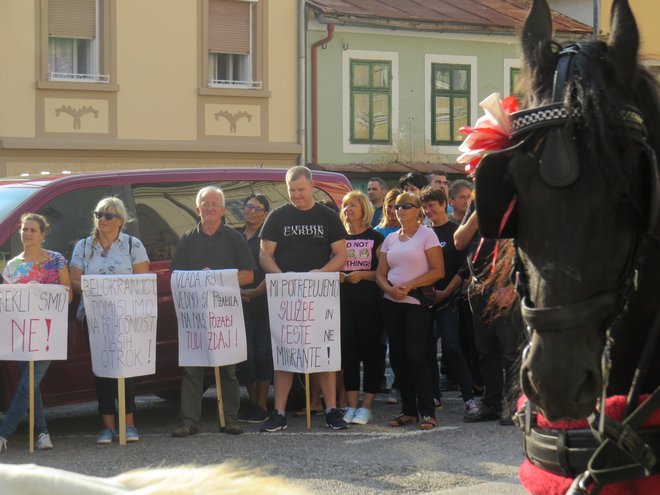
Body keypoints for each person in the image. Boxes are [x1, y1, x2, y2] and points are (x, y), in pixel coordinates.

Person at [259, 166, 348, 432]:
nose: (296, 195)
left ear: (311, 186)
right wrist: (284, 278)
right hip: (287, 297)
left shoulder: (328, 217)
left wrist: (321, 274)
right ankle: (279, 412)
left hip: (321, 295)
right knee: (285, 350)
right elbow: (265, 256)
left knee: (324, 351)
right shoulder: (277, 216)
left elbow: (341, 255)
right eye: (291, 190)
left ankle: (331, 410)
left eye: (300, 189)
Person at [170, 186, 255, 437]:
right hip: (195, 315)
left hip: (225, 315)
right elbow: (176, 277)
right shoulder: (187, 239)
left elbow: (249, 275)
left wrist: (216, 279)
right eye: (205, 204)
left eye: (214, 204)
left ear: (223, 210)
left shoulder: (234, 238)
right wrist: (199, 279)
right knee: (192, 368)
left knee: (228, 369)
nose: (209, 208)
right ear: (197, 209)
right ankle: (188, 421)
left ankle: (230, 419)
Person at [70, 197, 150, 444]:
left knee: (125, 369)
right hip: (93, 315)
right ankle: (107, 426)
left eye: (108, 215)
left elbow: (142, 280)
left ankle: (129, 424)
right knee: (103, 369)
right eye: (98, 214)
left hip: (125, 315)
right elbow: (74, 280)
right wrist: (94, 289)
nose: (102, 219)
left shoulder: (132, 246)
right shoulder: (83, 246)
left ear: (120, 221)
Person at [0, 213, 72, 453]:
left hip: (49, 333)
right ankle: (42, 433)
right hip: (22, 333)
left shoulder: (56, 260)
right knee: (30, 386)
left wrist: (41, 290)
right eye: (24, 229)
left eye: (33, 230)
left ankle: (3, 432)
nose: (27, 233)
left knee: (26, 384)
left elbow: (67, 295)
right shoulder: (13, 266)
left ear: (43, 234)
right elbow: (8, 303)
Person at [376, 192, 444, 430]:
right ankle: (408, 411)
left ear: (418, 210)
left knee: (416, 356)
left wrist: (410, 285)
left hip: (415, 302)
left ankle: (427, 411)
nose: (400, 210)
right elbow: (380, 273)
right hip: (391, 302)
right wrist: (390, 289)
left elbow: (438, 270)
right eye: (396, 206)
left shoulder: (428, 234)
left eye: (406, 205)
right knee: (398, 357)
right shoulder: (391, 239)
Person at [454, 198, 521, 425]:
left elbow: (524, 245)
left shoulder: (515, 201)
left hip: (504, 285)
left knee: (510, 350)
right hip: (478, 286)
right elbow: (459, 241)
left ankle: (514, 407)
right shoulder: (477, 205)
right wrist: (477, 212)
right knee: (486, 351)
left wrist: (512, 284)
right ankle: (492, 404)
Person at [419, 187, 479, 418]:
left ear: (445, 204)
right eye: (425, 207)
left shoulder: (456, 231)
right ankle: (434, 395)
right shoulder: (423, 234)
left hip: (450, 300)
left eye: (432, 205)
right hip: (427, 300)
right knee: (426, 351)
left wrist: (446, 292)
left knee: (453, 348)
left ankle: (469, 397)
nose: (429, 210)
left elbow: (464, 269)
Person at [338, 191, 384, 425]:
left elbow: (384, 274)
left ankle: (367, 406)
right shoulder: (338, 239)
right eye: (345, 205)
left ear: (364, 209)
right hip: (344, 305)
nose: (348, 209)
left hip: (370, 305)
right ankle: (351, 405)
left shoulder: (376, 238)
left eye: (352, 205)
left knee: (370, 354)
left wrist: (363, 275)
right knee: (348, 356)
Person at [235, 194, 272, 424]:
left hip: (263, 300)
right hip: (237, 301)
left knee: (262, 352)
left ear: (266, 214)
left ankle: (262, 404)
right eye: (249, 206)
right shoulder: (234, 236)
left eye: (258, 208)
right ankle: (253, 402)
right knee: (244, 355)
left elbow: (276, 269)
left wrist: (257, 291)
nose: (252, 211)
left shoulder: (268, 237)